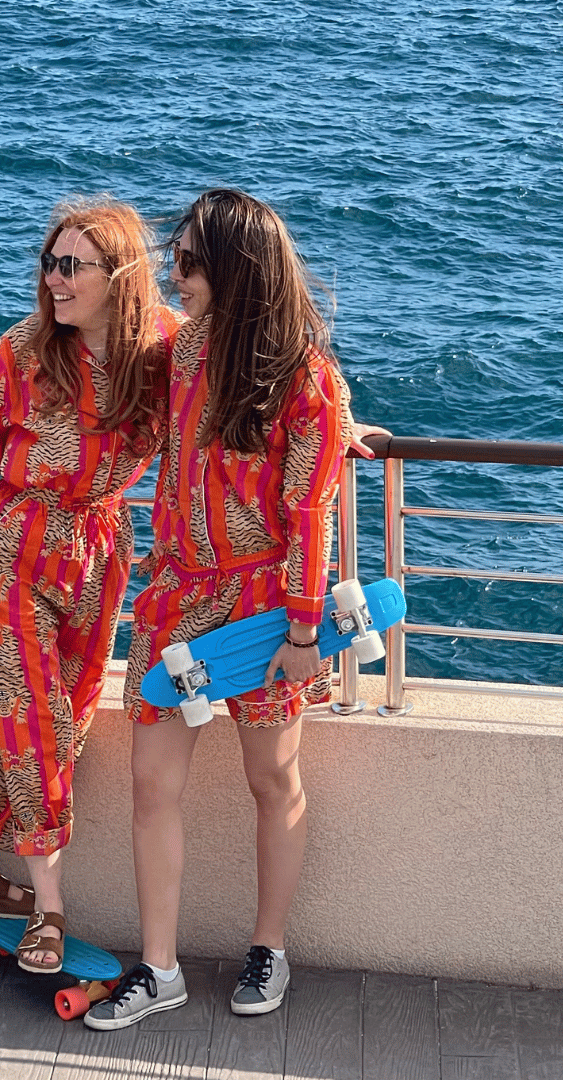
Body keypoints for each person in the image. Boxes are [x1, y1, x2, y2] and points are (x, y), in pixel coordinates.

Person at [85, 188, 355, 1028]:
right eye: (178, 258)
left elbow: (311, 510)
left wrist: (306, 630)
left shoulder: (305, 380)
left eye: (192, 260)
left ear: (237, 268)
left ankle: (270, 947)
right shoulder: (182, 347)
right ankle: (159, 968)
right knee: (149, 785)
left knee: (271, 778)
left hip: (268, 606)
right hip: (175, 598)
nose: (178, 273)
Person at [0, 197, 182, 973]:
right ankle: (50, 904)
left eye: (73, 266)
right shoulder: (22, 351)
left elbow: (250, 390)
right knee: (34, 724)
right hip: (12, 552)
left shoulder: (167, 348)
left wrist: (335, 424)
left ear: (120, 276)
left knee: (60, 725)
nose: (55, 280)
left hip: (99, 555)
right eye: (50, 263)